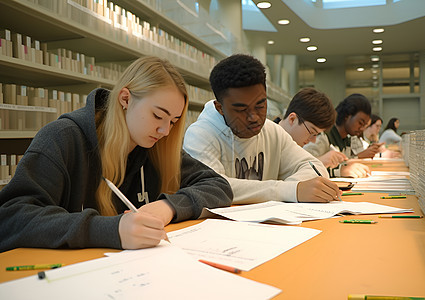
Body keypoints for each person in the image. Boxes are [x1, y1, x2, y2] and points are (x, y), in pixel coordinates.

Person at [0, 56, 233, 252]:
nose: (165, 131)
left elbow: (218, 186)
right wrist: (111, 230)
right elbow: (11, 219)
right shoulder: (63, 138)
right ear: (125, 99)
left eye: (172, 121)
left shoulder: (154, 146)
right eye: (157, 116)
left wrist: (168, 207)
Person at [183, 54, 341, 205]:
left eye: (260, 105)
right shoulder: (200, 135)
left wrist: (295, 189)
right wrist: (289, 190)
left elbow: (315, 168)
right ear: (220, 108)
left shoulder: (273, 132)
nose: (254, 117)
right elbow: (212, 188)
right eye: (241, 109)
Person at [303, 94, 375, 178]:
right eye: (360, 123)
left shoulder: (347, 139)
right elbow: (305, 169)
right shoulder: (323, 136)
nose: (362, 128)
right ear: (347, 116)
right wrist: (339, 171)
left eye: (364, 125)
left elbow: (343, 162)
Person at [276, 87, 348, 168]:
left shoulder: (294, 148)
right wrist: (318, 162)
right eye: (311, 132)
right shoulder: (266, 141)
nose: (313, 141)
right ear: (293, 119)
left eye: (316, 134)